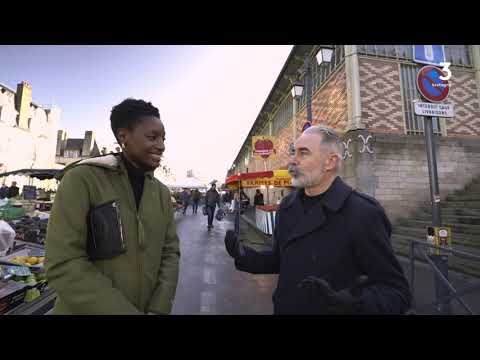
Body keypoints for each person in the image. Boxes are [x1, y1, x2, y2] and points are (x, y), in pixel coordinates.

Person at [224, 125, 411, 314]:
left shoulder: (362, 213)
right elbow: (281, 260)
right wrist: (246, 256)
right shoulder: (287, 208)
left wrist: (355, 303)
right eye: (293, 152)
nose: (292, 160)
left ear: (330, 162)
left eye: (303, 153)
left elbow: (396, 291)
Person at [45, 98, 180, 315]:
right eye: (152, 137)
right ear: (123, 137)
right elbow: (63, 262)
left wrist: (160, 307)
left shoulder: (162, 194)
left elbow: (170, 252)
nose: (161, 145)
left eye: (163, 138)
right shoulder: (82, 179)